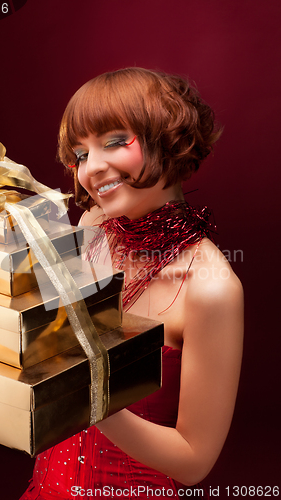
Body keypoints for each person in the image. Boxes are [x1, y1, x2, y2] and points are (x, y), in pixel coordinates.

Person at [20, 68, 243, 499]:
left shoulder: (211, 288)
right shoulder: (90, 227)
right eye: (81, 154)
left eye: (114, 142)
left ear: (168, 139)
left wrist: (85, 399)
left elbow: (194, 461)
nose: (92, 169)